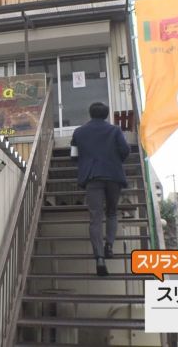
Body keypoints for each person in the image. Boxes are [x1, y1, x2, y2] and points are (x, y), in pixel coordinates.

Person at [71, 102, 130, 276]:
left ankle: (99, 258)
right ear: (106, 114)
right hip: (113, 175)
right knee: (111, 212)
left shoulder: (79, 132)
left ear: (90, 114)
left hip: (92, 177)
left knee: (95, 217)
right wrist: (114, 159)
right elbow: (125, 150)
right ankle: (109, 246)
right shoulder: (115, 130)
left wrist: (85, 162)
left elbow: (73, 155)